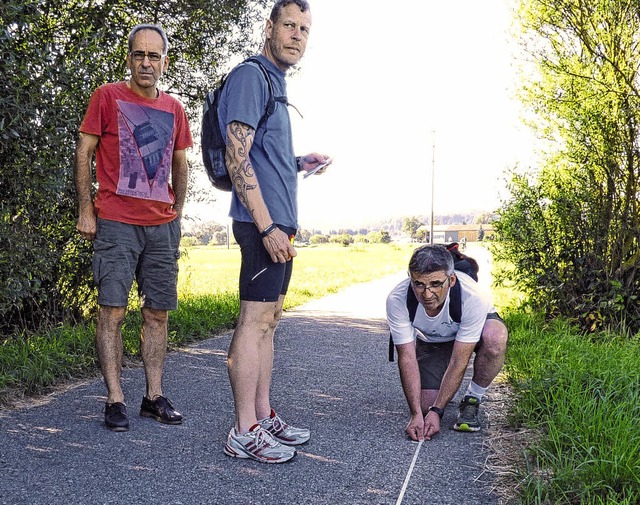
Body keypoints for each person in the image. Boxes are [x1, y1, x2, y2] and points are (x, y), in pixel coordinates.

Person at [217, 0, 331, 463]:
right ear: (269, 27)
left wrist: (300, 162)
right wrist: (265, 227)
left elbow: (262, 155)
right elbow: (236, 157)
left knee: (269, 322)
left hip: (279, 224)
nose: (297, 35)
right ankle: (243, 430)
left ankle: (262, 416)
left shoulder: (275, 84)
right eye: (289, 25)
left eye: (304, 28)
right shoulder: (250, 76)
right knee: (254, 322)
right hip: (261, 225)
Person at [75, 24, 193, 432]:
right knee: (112, 311)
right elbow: (85, 150)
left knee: (157, 313)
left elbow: (180, 162)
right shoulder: (107, 96)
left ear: (164, 62)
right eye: (139, 55)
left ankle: (153, 397)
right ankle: (115, 399)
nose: (147, 62)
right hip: (115, 220)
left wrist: (177, 208)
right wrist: (86, 211)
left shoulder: (175, 109)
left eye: (154, 56)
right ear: (129, 58)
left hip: (161, 226)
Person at [386, 244, 508, 441]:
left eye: (435, 284)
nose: (427, 294)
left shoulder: (472, 298)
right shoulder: (397, 299)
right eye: (419, 284)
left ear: (451, 280)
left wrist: (438, 411)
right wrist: (416, 414)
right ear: (410, 278)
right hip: (434, 339)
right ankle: (432, 400)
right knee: (425, 405)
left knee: (495, 338)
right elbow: (407, 358)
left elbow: (459, 362)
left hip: (473, 332)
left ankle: (472, 398)